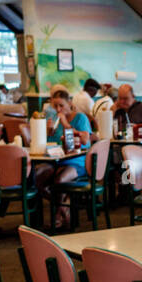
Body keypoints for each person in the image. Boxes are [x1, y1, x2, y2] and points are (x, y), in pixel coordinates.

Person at [38, 86, 93, 229]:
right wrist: (48, 131)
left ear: (69, 103)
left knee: (60, 180)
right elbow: (53, 143)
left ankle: (58, 215)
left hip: (78, 160)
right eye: (54, 105)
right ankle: (64, 208)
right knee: (38, 177)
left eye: (61, 105)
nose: (58, 109)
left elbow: (86, 141)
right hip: (58, 159)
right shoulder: (55, 118)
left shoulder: (80, 117)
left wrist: (66, 124)